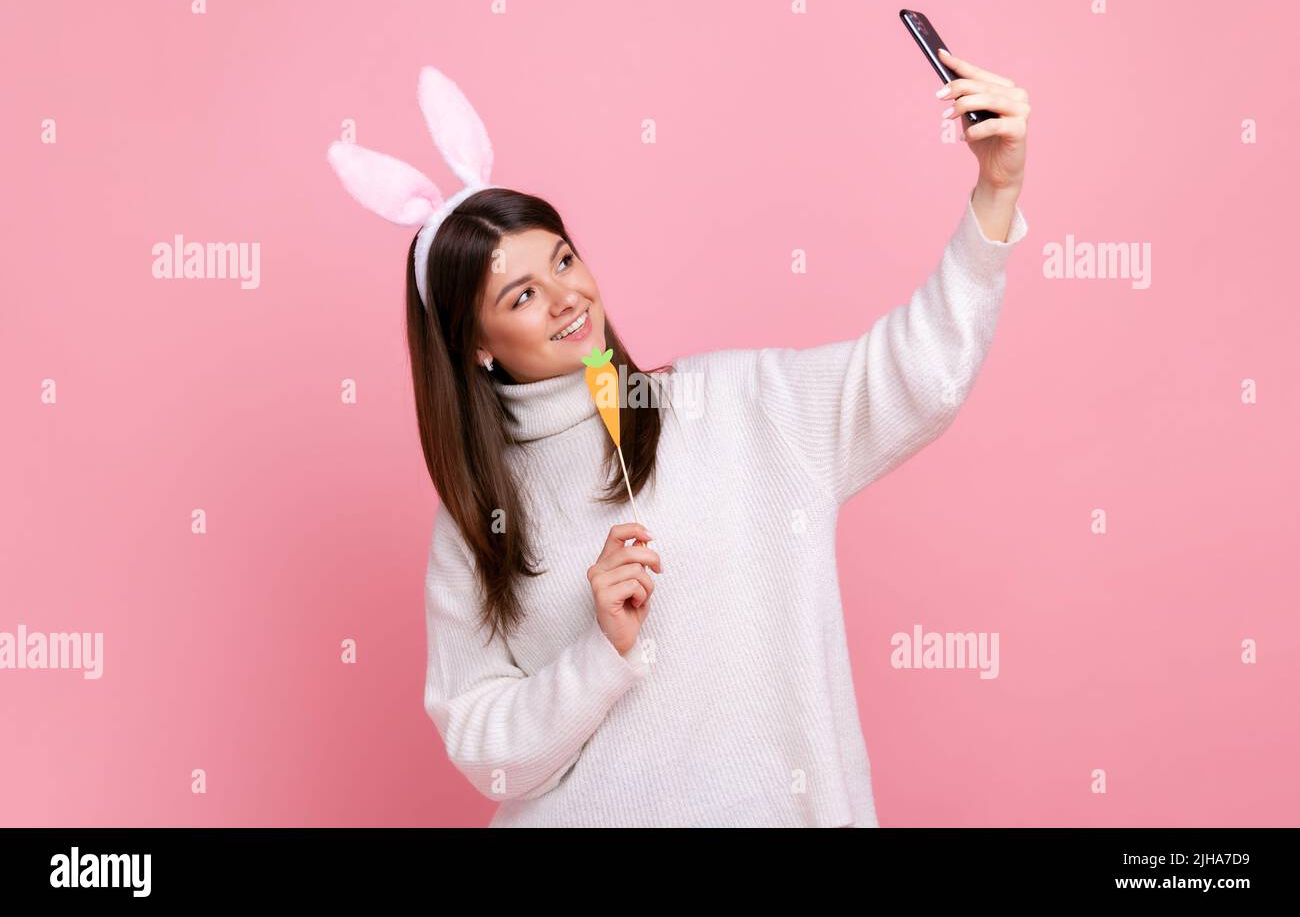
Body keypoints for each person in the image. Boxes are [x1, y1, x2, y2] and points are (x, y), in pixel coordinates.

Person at [335, 52, 1031, 826]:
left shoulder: (739, 405)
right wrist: (598, 652)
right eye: (523, 294)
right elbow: (487, 754)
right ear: (476, 344)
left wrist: (994, 192)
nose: (568, 297)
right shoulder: (474, 521)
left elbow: (918, 375)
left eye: (563, 259)